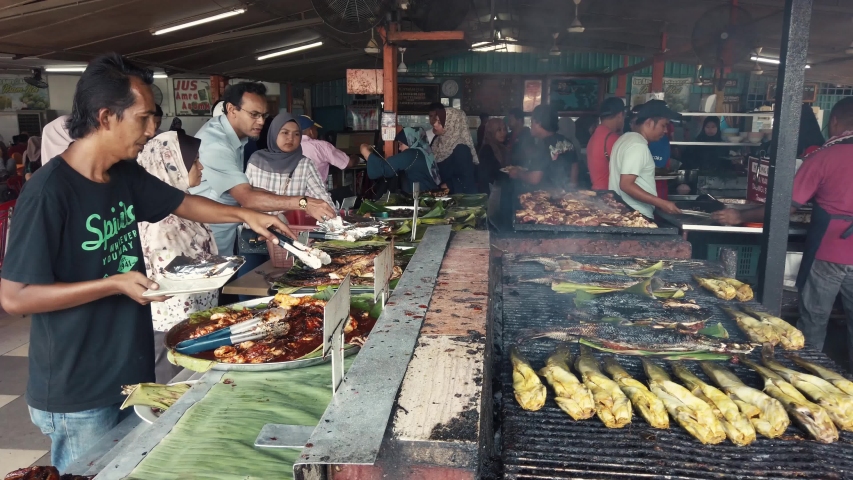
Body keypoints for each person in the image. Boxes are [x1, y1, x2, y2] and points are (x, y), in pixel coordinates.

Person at [0, 53, 293, 473]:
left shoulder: (123, 174)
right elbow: (14, 297)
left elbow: (184, 202)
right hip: (78, 387)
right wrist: (113, 283)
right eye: (143, 118)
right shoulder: (50, 192)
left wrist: (245, 214)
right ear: (105, 117)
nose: (153, 130)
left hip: (129, 373)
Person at [713, 97, 853, 368]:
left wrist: (739, 214)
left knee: (814, 317)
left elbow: (783, 208)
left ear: (834, 121)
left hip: (829, 251)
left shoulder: (824, 157)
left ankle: (807, 372)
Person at [191, 82, 335, 255]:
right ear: (231, 109)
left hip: (223, 233)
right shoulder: (216, 145)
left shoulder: (235, 138)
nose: (260, 121)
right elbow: (248, 198)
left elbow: (247, 190)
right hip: (204, 237)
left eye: (263, 115)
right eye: (254, 114)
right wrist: (303, 202)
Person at [136, 131, 217, 383]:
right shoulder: (161, 221)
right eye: (194, 162)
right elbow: (169, 277)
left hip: (193, 317)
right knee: (174, 387)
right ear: (170, 165)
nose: (201, 166)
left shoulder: (183, 206)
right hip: (171, 325)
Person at [608, 100, 681, 218]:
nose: (666, 130)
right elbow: (626, 185)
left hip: (624, 213)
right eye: (663, 125)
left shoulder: (625, 139)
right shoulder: (638, 146)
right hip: (635, 215)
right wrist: (662, 203)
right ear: (649, 122)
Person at [507, 104, 578, 191]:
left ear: (539, 123)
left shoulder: (541, 147)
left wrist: (518, 173)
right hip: (564, 197)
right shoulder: (567, 142)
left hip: (546, 199)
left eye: (532, 122)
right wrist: (570, 192)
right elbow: (574, 167)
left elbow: (535, 179)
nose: (531, 126)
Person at [360, 127, 440, 196]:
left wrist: (364, 150)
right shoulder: (424, 152)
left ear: (410, 141)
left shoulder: (412, 154)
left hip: (421, 200)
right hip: (427, 197)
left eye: (401, 144)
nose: (399, 148)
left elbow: (385, 167)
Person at [430, 106, 479, 194]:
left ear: (452, 125)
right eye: (435, 121)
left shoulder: (461, 149)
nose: (434, 124)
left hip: (456, 200)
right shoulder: (436, 141)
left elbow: (466, 179)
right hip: (439, 196)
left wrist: (442, 188)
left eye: (439, 122)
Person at [298, 115, 357, 183]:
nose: (317, 133)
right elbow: (349, 163)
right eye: (316, 130)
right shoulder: (321, 146)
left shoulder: (287, 147)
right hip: (316, 193)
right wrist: (356, 158)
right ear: (311, 131)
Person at [586, 97, 625, 190]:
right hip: (609, 194)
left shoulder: (595, 135)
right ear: (620, 115)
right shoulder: (612, 139)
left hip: (597, 190)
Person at [478, 118, 508, 193]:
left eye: (504, 129)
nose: (503, 133)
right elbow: (487, 175)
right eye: (499, 130)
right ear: (491, 132)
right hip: (490, 192)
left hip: (500, 189)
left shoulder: (502, 147)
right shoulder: (487, 149)